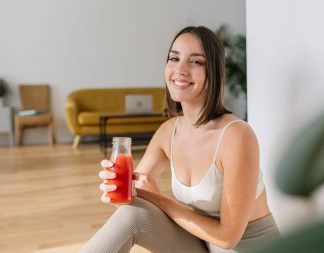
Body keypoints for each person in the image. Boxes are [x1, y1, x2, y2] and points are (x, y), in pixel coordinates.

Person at [81, 26, 280, 253]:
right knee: (131, 214)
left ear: (213, 72)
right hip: (202, 245)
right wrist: (116, 187)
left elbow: (228, 239)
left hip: (247, 248)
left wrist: (158, 198)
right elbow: (131, 198)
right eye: (174, 58)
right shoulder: (169, 132)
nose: (180, 70)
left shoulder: (236, 136)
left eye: (195, 62)